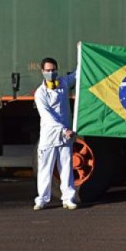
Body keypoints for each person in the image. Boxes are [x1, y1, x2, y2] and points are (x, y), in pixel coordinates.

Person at [33, 57, 78, 210]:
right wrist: (63, 129)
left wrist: (82, 54)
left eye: (53, 70)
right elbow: (47, 116)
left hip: (65, 136)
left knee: (66, 168)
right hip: (49, 136)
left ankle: (68, 198)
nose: (51, 73)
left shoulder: (63, 84)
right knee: (45, 169)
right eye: (48, 70)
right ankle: (42, 199)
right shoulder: (40, 93)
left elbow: (77, 75)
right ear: (42, 72)